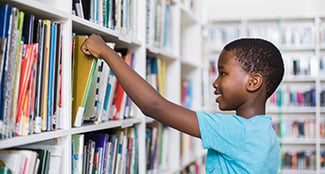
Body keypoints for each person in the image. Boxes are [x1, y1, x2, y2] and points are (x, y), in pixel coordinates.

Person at [81, 34, 284, 174]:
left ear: (253, 82)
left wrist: (107, 53)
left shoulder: (237, 131)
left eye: (223, 73)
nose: (215, 82)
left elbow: (153, 106)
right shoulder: (267, 135)